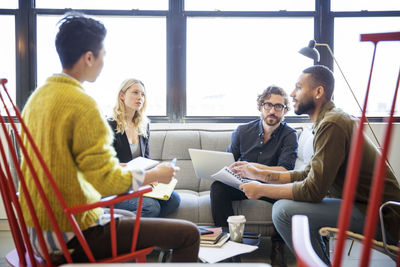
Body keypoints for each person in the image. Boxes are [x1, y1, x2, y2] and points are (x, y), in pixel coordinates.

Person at [20, 13, 199, 263]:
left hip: (37, 230)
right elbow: (106, 182)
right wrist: (156, 176)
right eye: (102, 53)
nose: (104, 61)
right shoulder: (82, 105)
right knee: (189, 234)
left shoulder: (37, 98)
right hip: (70, 232)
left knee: (133, 217)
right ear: (89, 57)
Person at [231, 65, 400, 264]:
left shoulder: (333, 124)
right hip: (362, 206)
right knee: (285, 208)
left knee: (283, 211)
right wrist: (259, 173)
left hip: (382, 215)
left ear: (318, 92)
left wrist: (262, 190)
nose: (292, 94)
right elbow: (307, 173)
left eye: (299, 88)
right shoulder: (327, 121)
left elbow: (313, 190)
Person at [210, 85, 298, 267]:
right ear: (260, 106)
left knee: (286, 196)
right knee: (217, 188)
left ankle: (277, 245)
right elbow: (229, 161)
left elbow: (285, 171)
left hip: (271, 186)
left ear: (285, 110)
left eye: (278, 106)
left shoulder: (290, 135)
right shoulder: (242, 131)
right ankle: (227, 243)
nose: (272, 111)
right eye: (268, 105)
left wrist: (254, 169)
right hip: (242, 184)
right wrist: (226, 171)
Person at [108, 78, 180, 217]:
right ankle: (132, 236)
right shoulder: (109, 125)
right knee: (151, 207)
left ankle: (146, 230)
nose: (140, 97)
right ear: (122, 95)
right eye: (135, 92)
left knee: (174, 200)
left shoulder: (143, 124)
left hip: (139, 183)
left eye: (142, 94)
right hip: (119, 187)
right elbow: (107, 166)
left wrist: (153, 176)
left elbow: (146, 159)